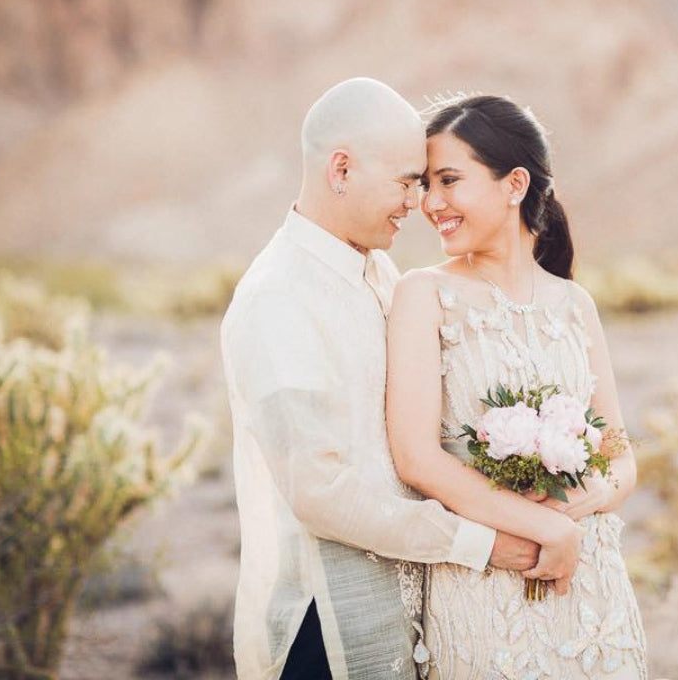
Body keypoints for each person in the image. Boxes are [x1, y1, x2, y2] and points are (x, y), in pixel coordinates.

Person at [220, 78, 557, 680]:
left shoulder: (377, 269)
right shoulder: (277, 299)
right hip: (324, 635)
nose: (418, 202)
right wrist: (479, 543)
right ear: (342, 170)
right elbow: (319, 492)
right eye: (406, 181)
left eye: (424, 182)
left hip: (411, 621)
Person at [386, 95, 648, 679]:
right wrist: (542, 527)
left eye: (449, 180)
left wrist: (576, 507)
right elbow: (417, 458)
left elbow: (621, 456)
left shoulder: (574, 304)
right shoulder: (424, 294)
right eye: (426, 185)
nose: (431, 204)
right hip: (488, 590)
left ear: (515, 183)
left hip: (592, 586)